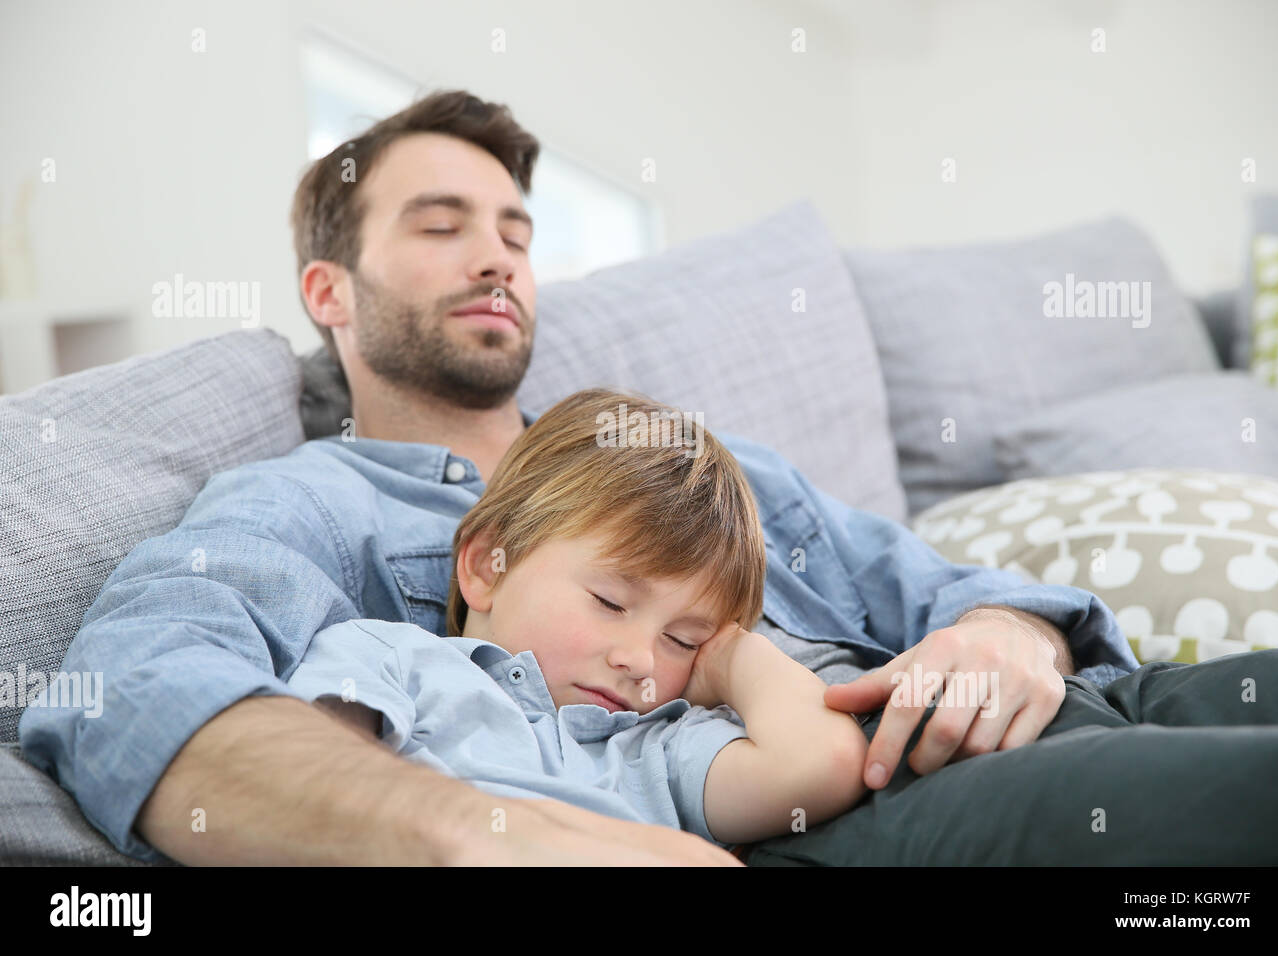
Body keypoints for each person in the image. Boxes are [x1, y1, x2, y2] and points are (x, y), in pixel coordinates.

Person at [19, 89, 1143, 866]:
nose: (498, 253)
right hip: (887, 807)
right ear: (329, 293)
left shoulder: (706, 464)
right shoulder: (315, 504)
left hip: (1054, 713)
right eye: (441, 224)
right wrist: (470, 834)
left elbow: (944, 586)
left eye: (515, 229)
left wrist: (1013, 633)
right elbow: (138, 679)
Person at [284, 387, 871, 852]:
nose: (640, 659)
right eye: (611, 603)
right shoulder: (391, 659)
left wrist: (736, 658)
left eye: (680, 639)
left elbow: (823, 766)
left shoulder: (654, 749)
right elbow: (308, 778)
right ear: (488, 567)